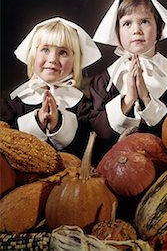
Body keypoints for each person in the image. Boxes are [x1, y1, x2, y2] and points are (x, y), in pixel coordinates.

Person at [89, 0, 167, 162]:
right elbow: (99, 132)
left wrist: (146, 98)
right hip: (115, 169)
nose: (136, 30)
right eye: (127, 23)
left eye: (144, 22)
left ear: (159, 28)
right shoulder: (104, 82)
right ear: (116, 31)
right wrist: (128, 99)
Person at [1, 17, 102, 157]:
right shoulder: (15, 103)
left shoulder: (83, 106)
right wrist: (37, 122)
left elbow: (90, 146)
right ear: (32, 56)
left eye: (63, 52)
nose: (53, 59)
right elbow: (6, 141)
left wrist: (58, 125)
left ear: (75, 62)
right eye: (45, 50)